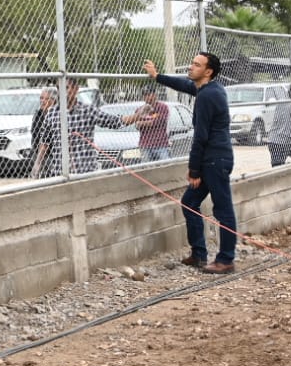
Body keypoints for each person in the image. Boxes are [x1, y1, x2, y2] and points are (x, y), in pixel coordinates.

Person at [143, 53, 238, 273]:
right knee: (189, 202)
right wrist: (157, 76)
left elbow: (201, 137)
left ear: (208, 72)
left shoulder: (207, 96)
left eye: (197, 65)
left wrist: (194, 170)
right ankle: (199, 255)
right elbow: (185, 85)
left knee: (223, 209)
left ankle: (226, 260)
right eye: (192, 63)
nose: (191, 67)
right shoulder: (210, 89)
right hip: (212, 159)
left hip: (215, 160)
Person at [33, 82, 128, 175]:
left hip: (85, 172)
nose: (63, 91)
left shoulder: (87, 110)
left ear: (76, 89)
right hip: (61, 172)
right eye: (59, 88)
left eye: (66, 87)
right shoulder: (51, 113)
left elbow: (114, 121)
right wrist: (37, 163)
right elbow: (45, 141)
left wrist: (136, 117)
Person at [121, 87, 172, 163]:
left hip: (161, 144)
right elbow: (137, 125)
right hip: (145, 145)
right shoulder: (140, 109)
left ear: (155, 95)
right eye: (144, 95)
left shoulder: (163, 107)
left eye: (148, 94)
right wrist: (145, 123)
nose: (146, 97)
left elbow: (160, 121)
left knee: (166, 165)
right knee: (146, 169)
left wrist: (143, 123)